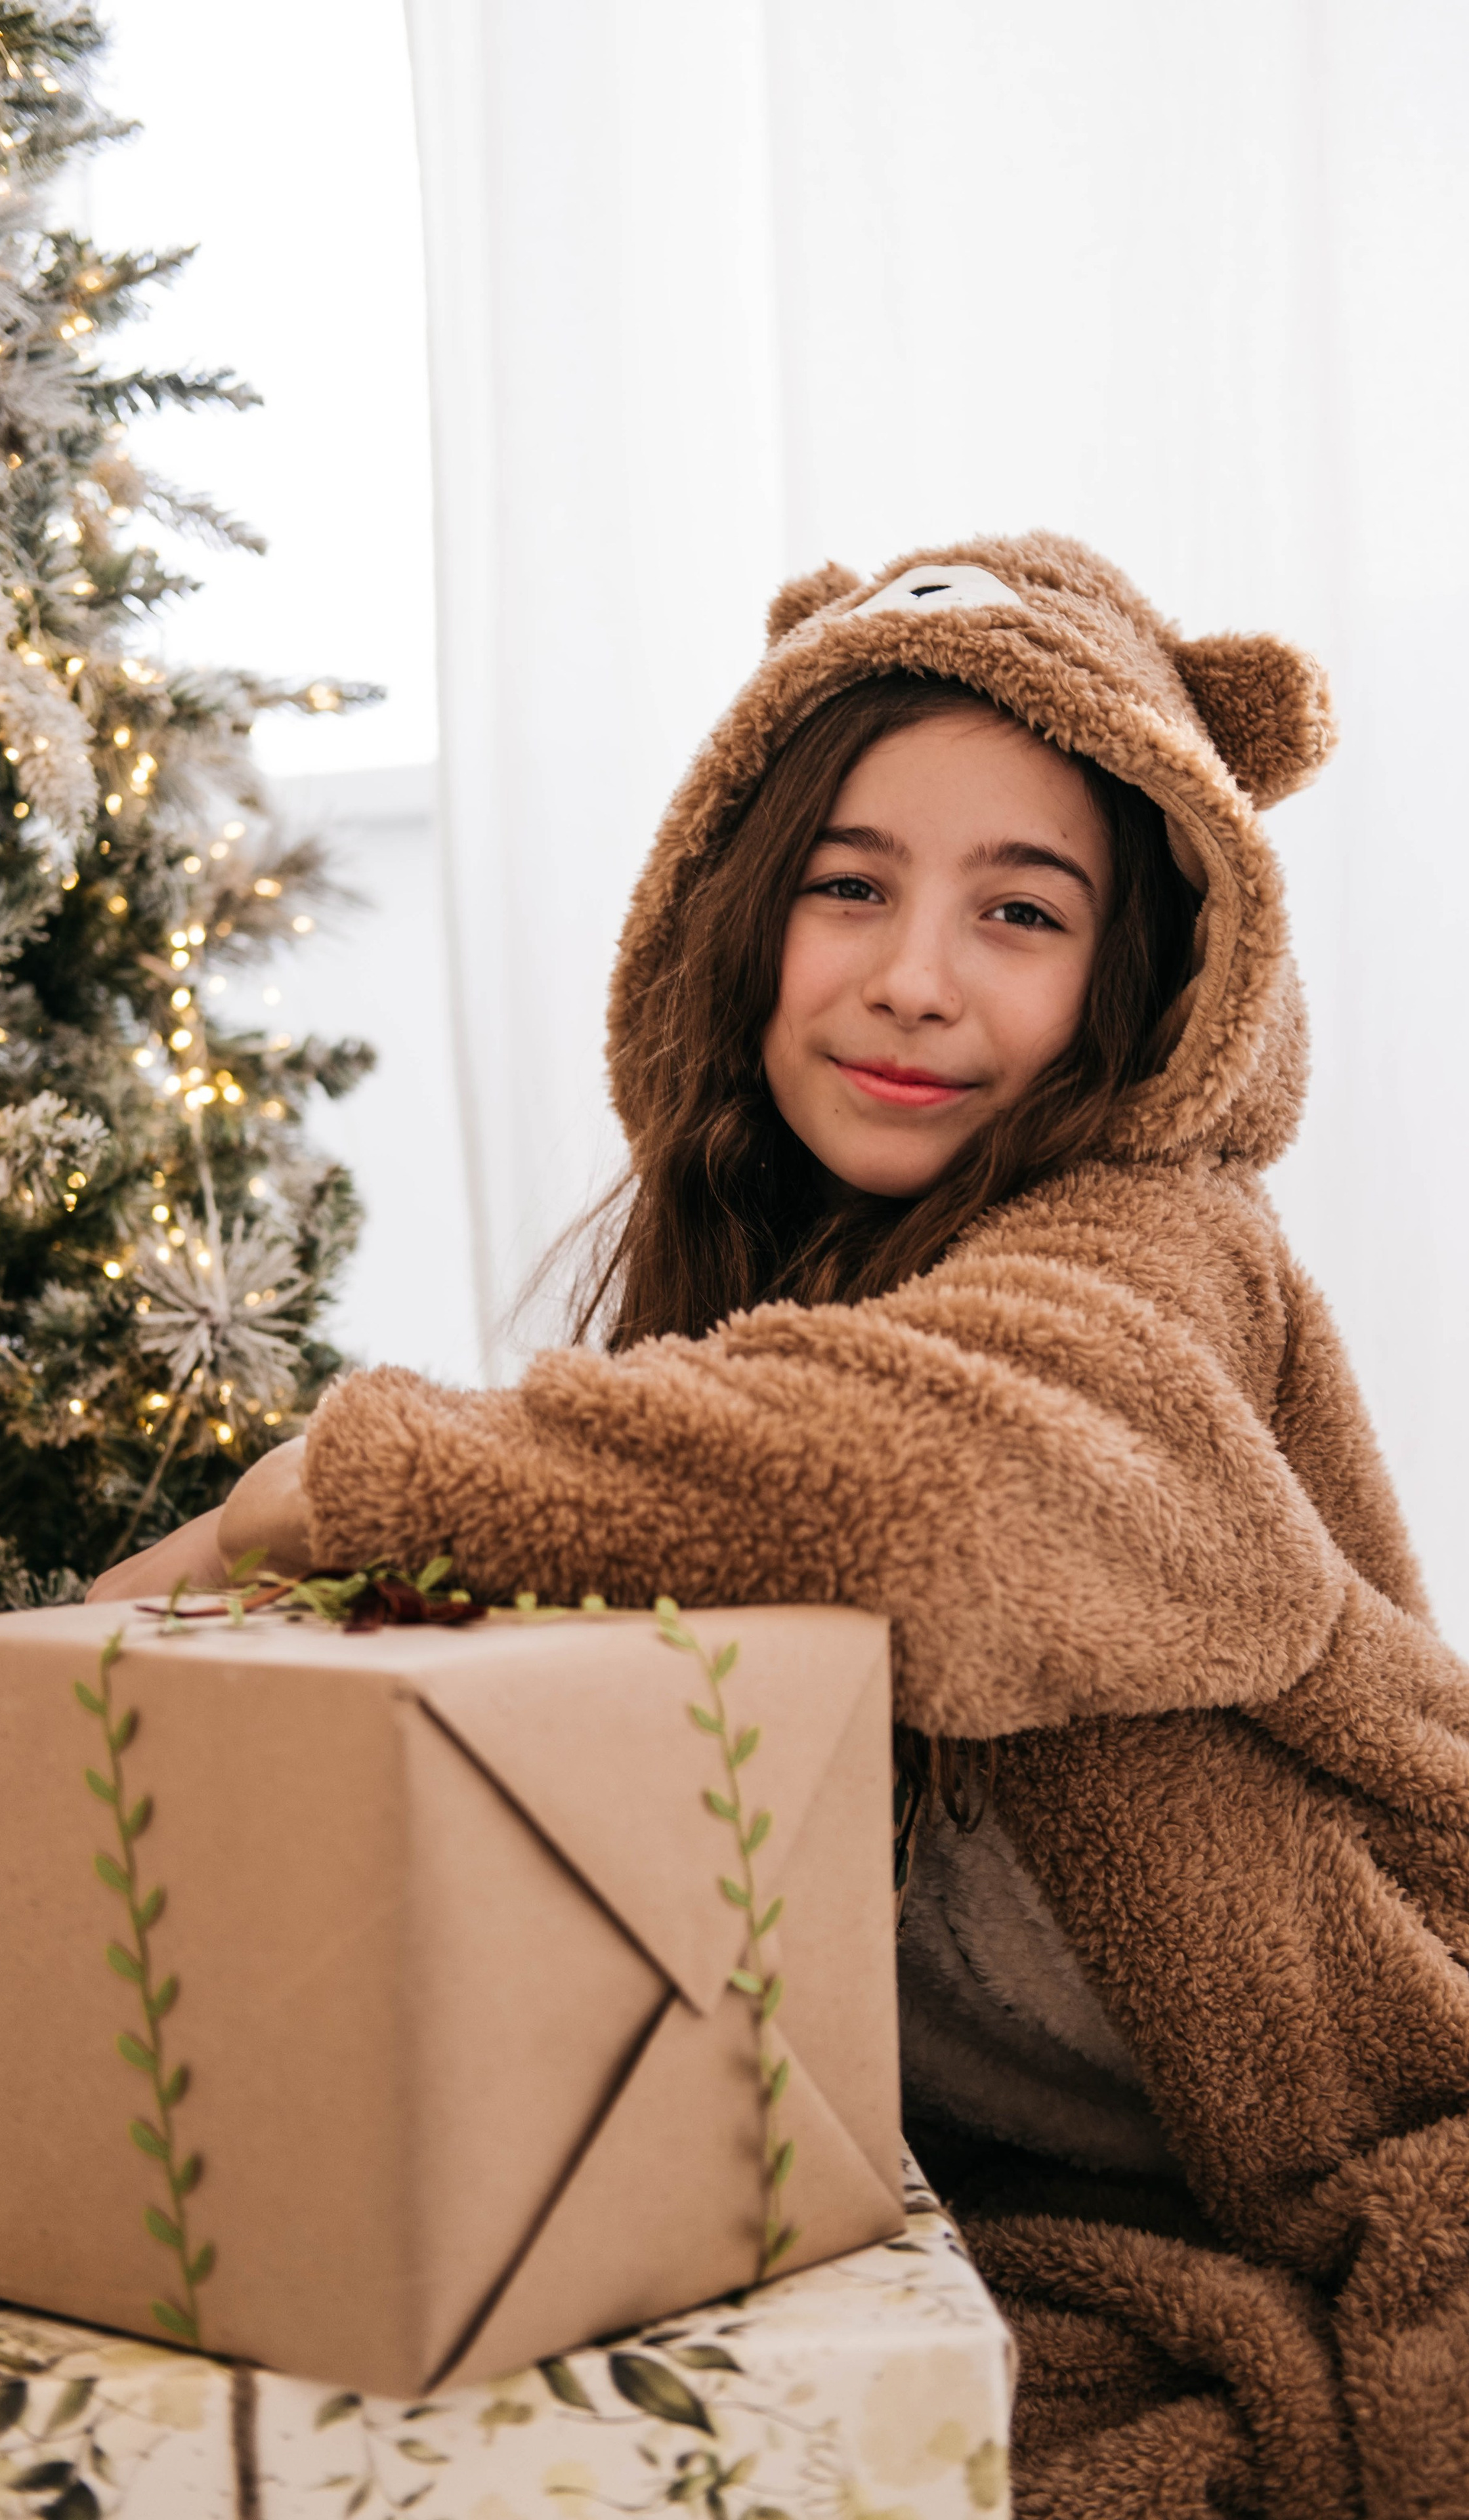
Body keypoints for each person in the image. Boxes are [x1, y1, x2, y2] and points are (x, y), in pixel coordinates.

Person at [90, 534, 1469, 2517]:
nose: (914, 977)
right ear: (741, 921)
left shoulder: (1159, 1260)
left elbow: (959, 1495)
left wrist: (325, 1486)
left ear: (1136, 981)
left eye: (1020, 911)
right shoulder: (761, 1317)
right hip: (1042, 2224)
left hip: (1370, 2144)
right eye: (851, 887)